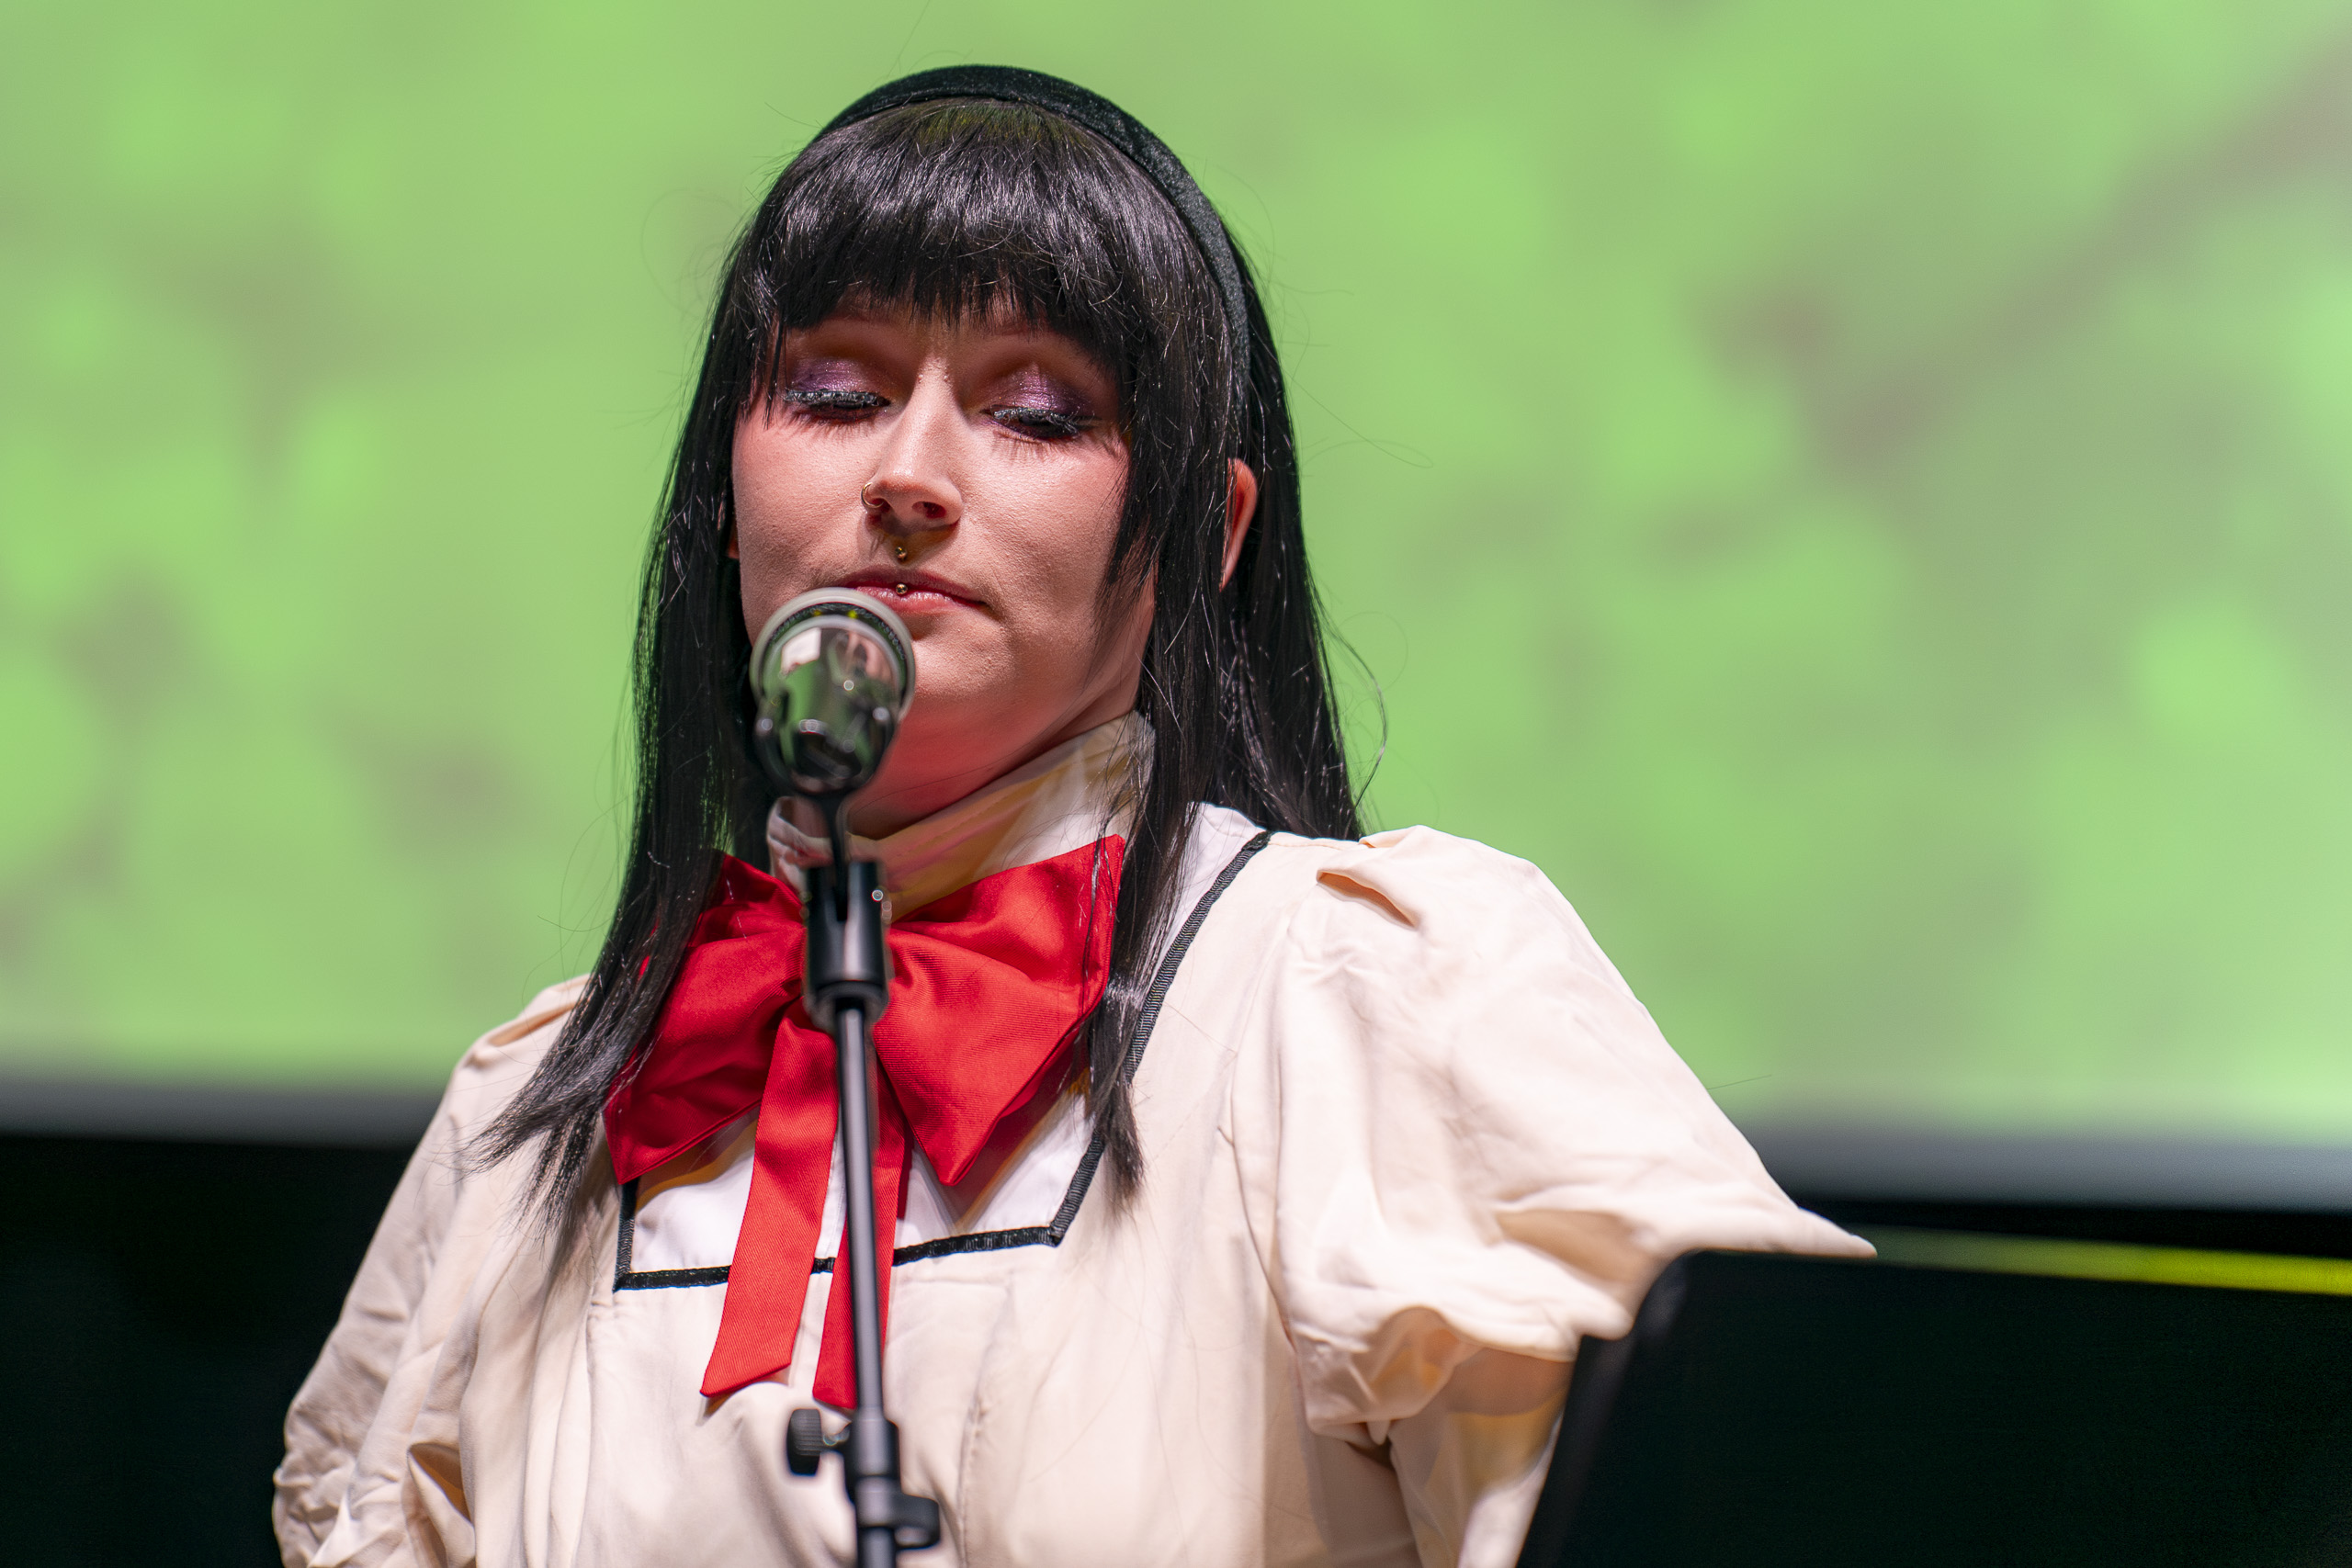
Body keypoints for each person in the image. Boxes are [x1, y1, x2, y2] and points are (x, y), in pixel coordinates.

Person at [273, 67, 1868, 1568]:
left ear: (1203, 533)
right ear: (726, 506)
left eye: (1036, 413)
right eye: (833, 392)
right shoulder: (530, 1116)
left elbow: (1793, 1482)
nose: (910, 474)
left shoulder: (1362, 996)